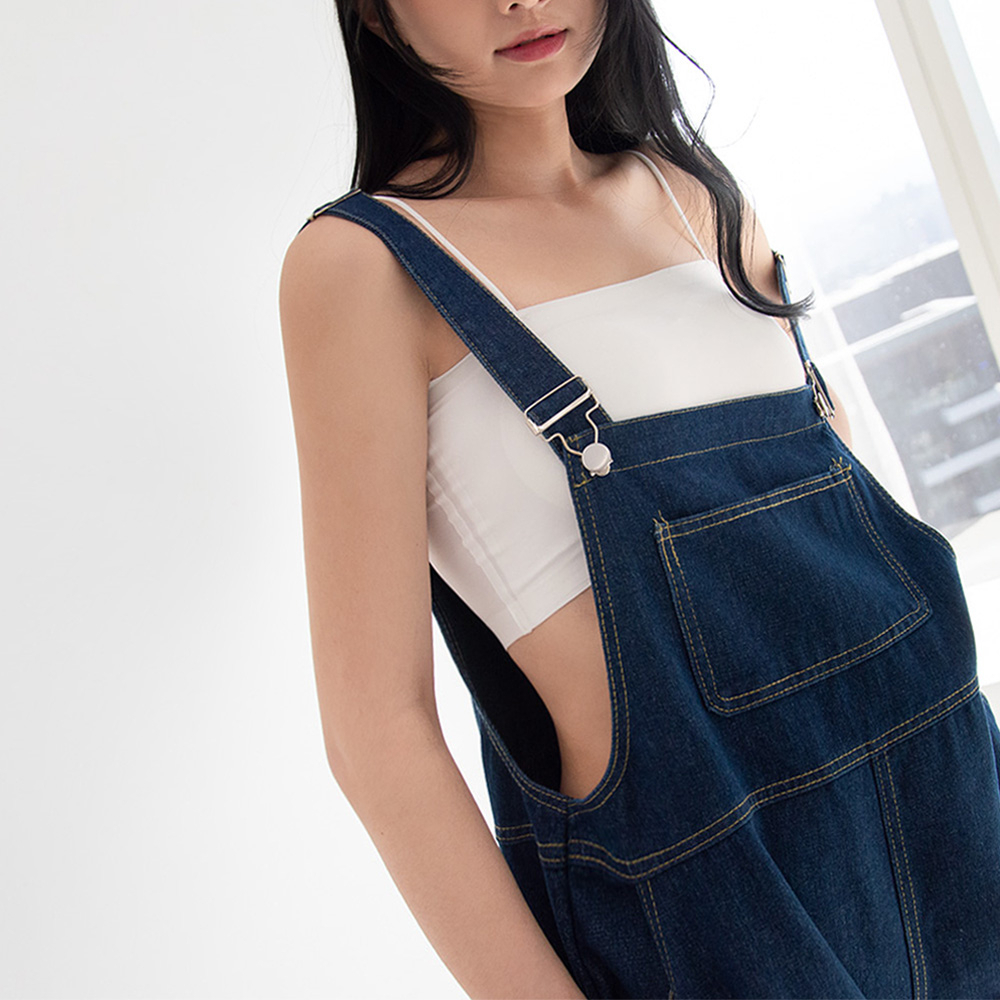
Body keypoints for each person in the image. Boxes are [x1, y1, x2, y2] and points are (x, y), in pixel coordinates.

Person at [279, 1, 1000, 997]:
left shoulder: (699, 194)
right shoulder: (366, 266)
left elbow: (843, 505)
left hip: (955, 792)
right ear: (376, 12)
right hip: (714, 894)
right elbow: (376, 729)